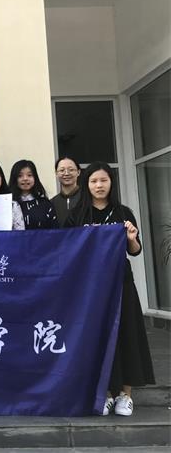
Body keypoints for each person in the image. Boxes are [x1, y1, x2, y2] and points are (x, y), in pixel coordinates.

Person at [66, 161, 155, 417]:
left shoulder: (123, 212)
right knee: (97, 337)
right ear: (86, 184)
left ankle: (125, 395)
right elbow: (67, 250)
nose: (99, 185)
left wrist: (131, 238)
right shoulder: (77, 215)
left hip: (121, 283)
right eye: (94, 181)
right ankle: (103, 394)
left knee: (127, 334)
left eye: (103, 180)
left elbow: (135, 251)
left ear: (111, 183)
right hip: (90, 287)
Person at [9, 159, 58, 229]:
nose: (25, 178)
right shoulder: (9, 204)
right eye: (20, 176)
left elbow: (54, 230)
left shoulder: (45, 204)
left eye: (29, 175)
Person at [52, 156, 82, 226]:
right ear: (56, 173)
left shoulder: (87, 198)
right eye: (62, 170)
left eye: (71, 170)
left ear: (78, 172)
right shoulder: (52, 203)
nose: (66, 173)